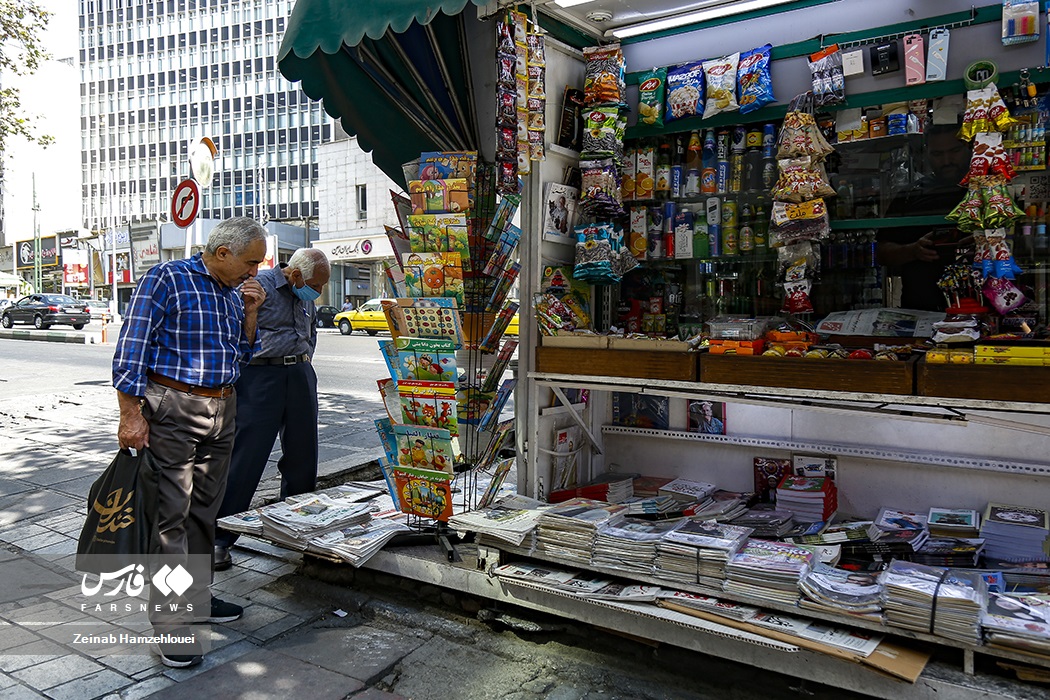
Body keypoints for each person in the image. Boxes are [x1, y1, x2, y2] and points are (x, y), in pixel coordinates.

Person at [112, 217, 267, 668]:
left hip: (222, 408)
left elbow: (240, 354)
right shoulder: (167, 278)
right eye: (250, 261)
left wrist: (251, 314)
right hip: (174, 408)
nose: (254, 271)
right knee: (171, 517)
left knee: (204, 511)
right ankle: (171, 626)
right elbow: (131, 348)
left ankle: (196, 599)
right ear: (222, 253)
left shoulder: (232, 292)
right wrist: (130, 415)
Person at [213, 248, 331, 571]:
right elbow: (235, 331)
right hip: (261, 376)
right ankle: (219, 538)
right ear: (295, 275)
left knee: (303, 457)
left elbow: (310, 333)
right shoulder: (258, 284)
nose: (317, 293)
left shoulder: (305, 290)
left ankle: (296, 528)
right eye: (315, 286)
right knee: (246, 457)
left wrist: (303, 362)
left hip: (300, 373)